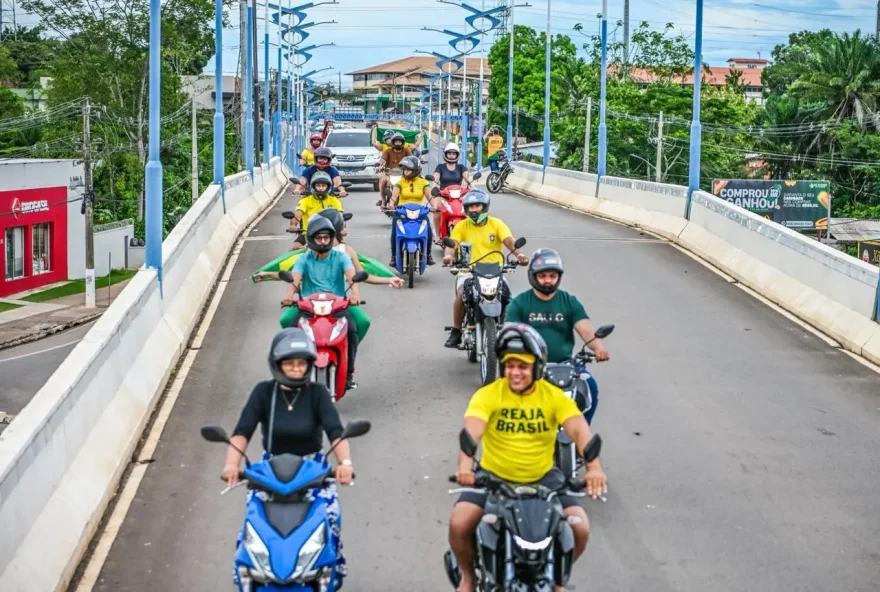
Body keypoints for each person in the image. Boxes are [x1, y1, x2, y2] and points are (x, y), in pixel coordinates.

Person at [448, 324, 608, 592]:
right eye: (509, 365)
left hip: (545, 478)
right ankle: (468, 577)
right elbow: (471, 433)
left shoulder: (553, 397)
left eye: (522, 366)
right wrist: (466, 468)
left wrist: (594, 469)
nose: (514, 372)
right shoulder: (488, 395)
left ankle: (558, 580)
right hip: (493, 476)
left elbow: (580, 430)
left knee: (579, 526)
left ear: (537, 366)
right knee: (460, 521)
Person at [222, 327, 355, 584]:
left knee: (330, 519)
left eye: (301, 364)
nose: (296, 369)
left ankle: (327, 576)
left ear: (309, 366)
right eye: (289, 364)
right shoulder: (263, 392)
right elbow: (242, 431)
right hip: (269, 473)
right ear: (277, 364)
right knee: (252, 522)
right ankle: (250, 575)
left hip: (313, 473)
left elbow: (336, 431)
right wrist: (231, 464)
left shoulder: (317, 394)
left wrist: (344, 464)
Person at [505, 248, 610, 423]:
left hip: (565, 365)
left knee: (589, 385)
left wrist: (599, 348)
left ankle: (582, 433)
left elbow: (586, 331)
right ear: (533, 276)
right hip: (529, 366)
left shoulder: (569, 301)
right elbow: (508, 334)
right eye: (543, 276)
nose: (548, 280)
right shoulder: (519, 303)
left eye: (552, 276)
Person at [442, 190, 528, 348]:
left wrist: (519, 255)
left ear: (485, 206)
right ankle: (456, 331)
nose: (474, 210)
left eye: (477, 206)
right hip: (468, 270)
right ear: (466, 209)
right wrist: (449, 256)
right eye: (471, 207)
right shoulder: (461, 226)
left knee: (508, 296)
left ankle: (509, 329)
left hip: (495, 271)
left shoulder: (497, 224)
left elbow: (509, 241)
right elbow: (452, 245)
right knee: (462, 294)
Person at [283, 217, 362, 389]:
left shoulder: (342, 257)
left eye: (326, 237)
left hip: (337, 306)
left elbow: (352, 277)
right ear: (311, 239)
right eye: (319, 238)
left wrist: (354, 294)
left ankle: (348, 371)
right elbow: (294, 279)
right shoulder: (303, 259)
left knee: (353, 329)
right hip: (308, 307)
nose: (323, 241)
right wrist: (289, 296)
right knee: (289, 329)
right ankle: (292, 370)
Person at [387, 155, 435, 267]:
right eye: (404, 169)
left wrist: (434, 206)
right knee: (395, 232)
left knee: (428, 230)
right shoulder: (400, 181)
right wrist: (390, 204)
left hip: (420, 211)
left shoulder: (423, 182)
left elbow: (429, 196)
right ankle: (394, 256)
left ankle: (427, 255)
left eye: (408, 169)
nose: (405, 171)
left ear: (415, 170)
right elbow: (394, 195)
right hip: (402, 212)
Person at [430, 143, 475, 240]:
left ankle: (471, 234)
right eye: (449, 153)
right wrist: (434, 188)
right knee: (436, 208)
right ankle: (437, 234)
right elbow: (435, 178)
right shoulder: (440, 167)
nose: (451, 155)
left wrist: (473, 186)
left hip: (459, 195)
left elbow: (467, 177)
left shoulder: (461, 167)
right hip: (443, 194)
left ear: (457, 155)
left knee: (470, 209)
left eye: (454, 154)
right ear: (445, 154)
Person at [288, 171, 344, 244]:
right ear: (313, 186)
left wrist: (343, 229)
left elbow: (341, 217)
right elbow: (297, 216)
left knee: (345, 251)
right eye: (318, 185)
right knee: (294, 247)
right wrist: (293, 225)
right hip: (308, 234)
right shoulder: (305, 201)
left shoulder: (334, 201)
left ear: (328, 187)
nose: (320, 188)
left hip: (330, 235)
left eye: (323, 186)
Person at [376, 132, 413, 208]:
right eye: (396, 141)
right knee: (382, 180)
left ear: (402, 142)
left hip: (403, 173)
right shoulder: (388, 151)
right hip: (389, 173)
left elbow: (412, 160)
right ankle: (383, 200)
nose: (398, 143)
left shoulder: (407, 150)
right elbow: (382, 160)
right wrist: (379, 165)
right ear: (393, 142)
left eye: (400, 141)